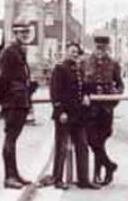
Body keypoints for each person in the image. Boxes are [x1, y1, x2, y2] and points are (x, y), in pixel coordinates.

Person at [46, 42, 100, 190]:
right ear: (66, 52)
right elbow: (54, 93)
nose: (75, 54)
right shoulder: (60, 69)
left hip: (78, 115)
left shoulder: (79, 70)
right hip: (64, 114)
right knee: (61, 147)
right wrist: (60, 111)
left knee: (82, 146)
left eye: (77, 52)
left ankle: (84, 180)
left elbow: (85, 87)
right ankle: (58, 179)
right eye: (72, 51)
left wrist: (87, 95)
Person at [0, 23, 35, 189]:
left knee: (13, 139)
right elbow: (3, 79)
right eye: (21, 32)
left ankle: (15, 173)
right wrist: (1, 102)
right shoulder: (9, 52)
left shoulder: (19, 51)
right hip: (12, 101)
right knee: (10, 139)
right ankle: (9, 177)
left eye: (26, 32)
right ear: (14, 33)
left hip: (20, 100)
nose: (25, 35)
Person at [82, 35, 124, 186]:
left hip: (106, 108)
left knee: (101, 140)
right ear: (94, 46)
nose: (100, 50)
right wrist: (84, 97)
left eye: (103, 48)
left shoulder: (113, 64)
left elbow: (120, 85)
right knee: (92, 140)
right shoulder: (85, 62)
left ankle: (97, 174)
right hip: (90, 108)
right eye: (98, 47)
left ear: (107, 48)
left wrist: (114, 100)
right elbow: (80, 83)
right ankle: (109, 165)